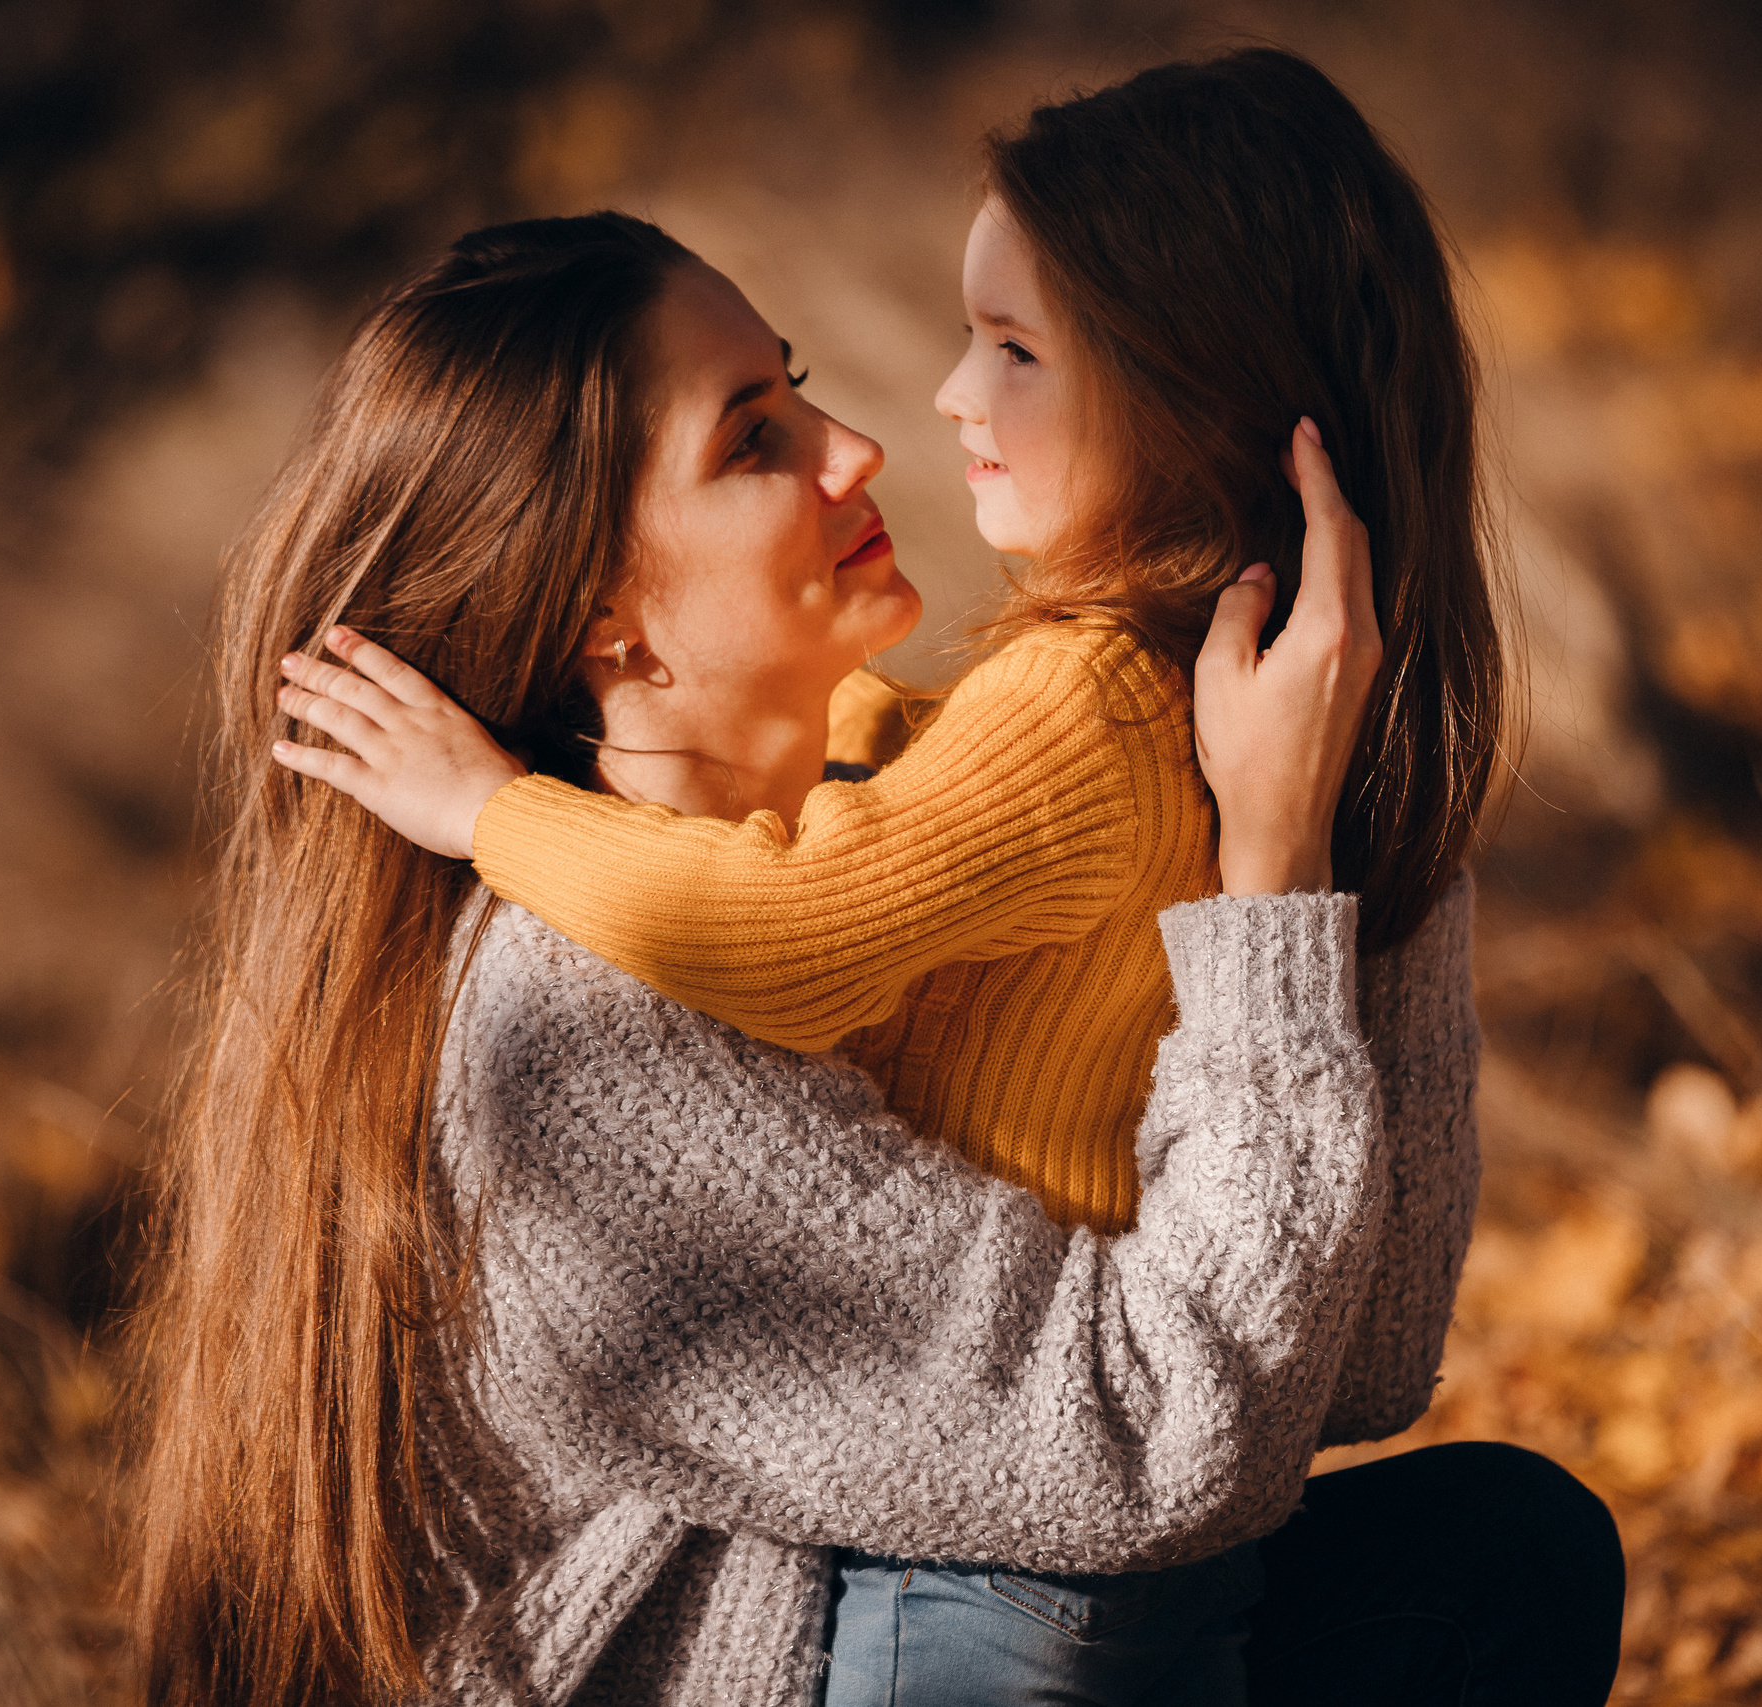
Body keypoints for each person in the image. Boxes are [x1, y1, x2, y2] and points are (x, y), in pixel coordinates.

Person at [267, 48, 1617, 1707]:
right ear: (592, 615)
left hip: (1067, 1568)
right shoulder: (584, 1019)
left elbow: (1366, 1354)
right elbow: (1173, 1451)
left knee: (1506, 1548)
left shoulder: (941, 776)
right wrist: (1269, 894)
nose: (868, 441)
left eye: (803, 383)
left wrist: (1357, 811)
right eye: (754, 436)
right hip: (903, 1639)